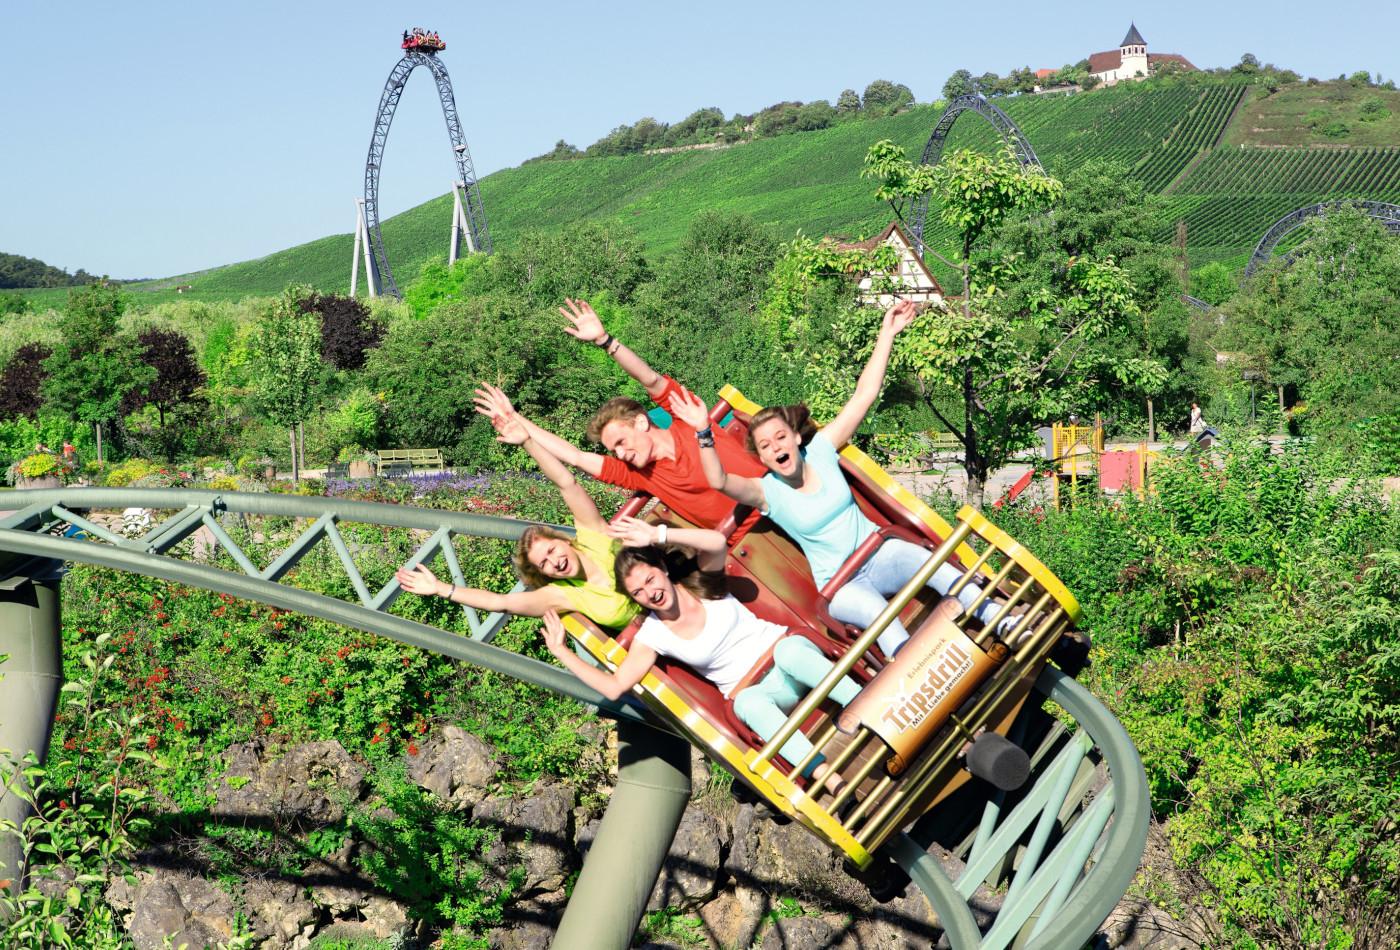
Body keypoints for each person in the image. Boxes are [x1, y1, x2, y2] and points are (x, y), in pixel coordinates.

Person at [672, 299, 1003, 657]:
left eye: (781, 438)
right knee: (880, 616)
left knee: (933, 565)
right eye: (766, 446)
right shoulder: (767, 492)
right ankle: (914, 681)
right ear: (763, 456)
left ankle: (1002, 619)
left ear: (797, 437)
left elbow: (865, 394)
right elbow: (719, 480)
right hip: (842, 584)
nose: (776, 448)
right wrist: (703, 431)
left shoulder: (823, 450)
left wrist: (886, 333)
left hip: (878, 554)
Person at [539, 521, 860, 786]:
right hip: (760, 691)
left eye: (650, 580)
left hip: (787, 657)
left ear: (661, 568)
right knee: (747, 704)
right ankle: (828, 778)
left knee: (790, 652)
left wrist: (658, 535)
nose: (651, 593)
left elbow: (716, 542)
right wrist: (561, 651)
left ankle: (870, 710)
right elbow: (615, 686)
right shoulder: (652, 634)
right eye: (639, 592)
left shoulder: (699, 581)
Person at [473, 298, 769, 542]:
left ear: (641, 423)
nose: (621, 454)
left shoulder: (688, 420)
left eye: (620, 443)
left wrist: (605, 341)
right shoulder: (640, 473)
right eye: (614, 451)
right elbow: (574, 456)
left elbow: (651, 380)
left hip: (780, 498)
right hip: (751, 539)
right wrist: (516, 420)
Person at [395, 405, 637, 628]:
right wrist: (440, 588)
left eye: (551, 551)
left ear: (564, 541)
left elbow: (567, 483)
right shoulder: (565, 594)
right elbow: (500, 602)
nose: (555, 562)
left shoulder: (593, 536)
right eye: (544, 564)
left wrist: (527, 442)